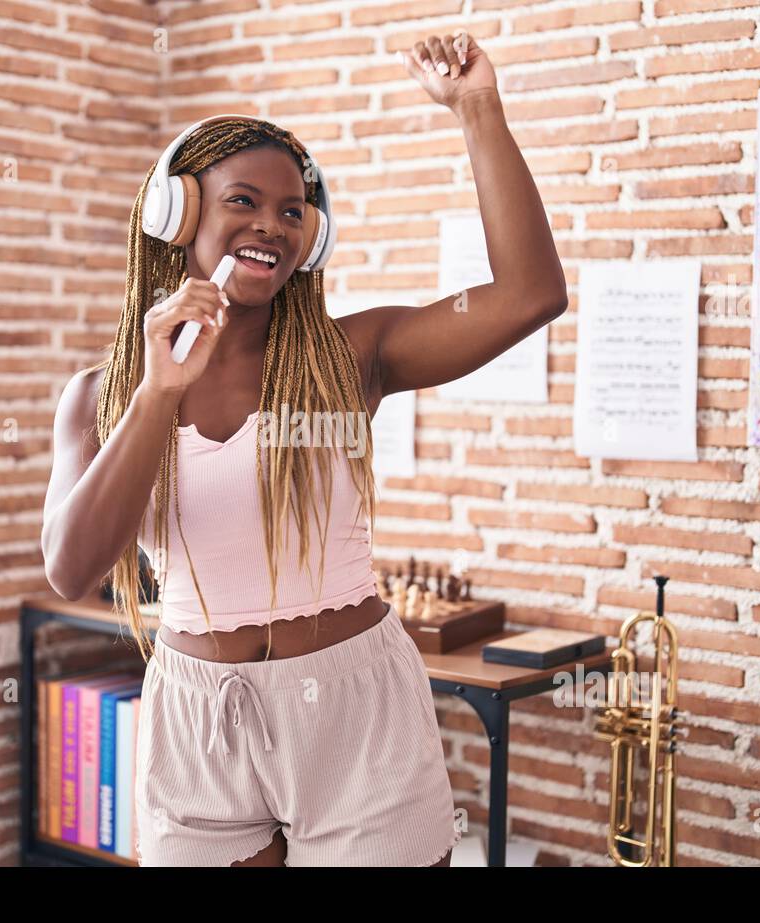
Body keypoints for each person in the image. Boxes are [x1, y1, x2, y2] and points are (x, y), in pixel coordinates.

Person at [41, 32, 567, 866]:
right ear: (177, 216)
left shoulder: (354, 355)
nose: (271, 226)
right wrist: (158, 393)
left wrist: (475, 108)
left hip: (358, 716)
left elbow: (531, 294)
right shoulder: (99, 395)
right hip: (198, 723)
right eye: (242, 202)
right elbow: (71, 568)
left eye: (293, 213)